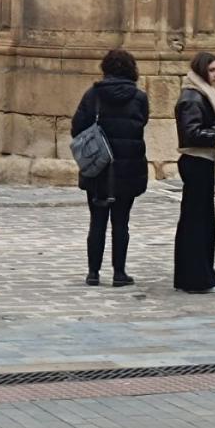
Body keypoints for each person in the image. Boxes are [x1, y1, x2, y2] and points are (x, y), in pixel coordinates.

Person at [71, 49, 150, 288]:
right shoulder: (139, 98)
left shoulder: (92, 95)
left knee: (97, 221)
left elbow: (77, 128)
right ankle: (119, 273)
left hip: (98, 168)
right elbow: (141, 124)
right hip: (127, 168)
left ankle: (93, 273)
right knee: (121, 222)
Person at [173, 52, 215, 294]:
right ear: (202, 71)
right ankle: (198, 279)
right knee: (197, 222)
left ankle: (189, 276)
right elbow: (190, 132)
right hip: (196, 161)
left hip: (201, 162)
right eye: (212, 70)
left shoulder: (200, 93)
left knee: (195, 220)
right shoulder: (193, 97)